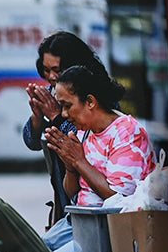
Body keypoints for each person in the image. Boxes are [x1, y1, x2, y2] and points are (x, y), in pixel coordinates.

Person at [43, 65, 158, 252]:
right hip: (81, 222)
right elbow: (74, 193)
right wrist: (70, 166)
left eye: (67, 106)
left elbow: (118, 199)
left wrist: (79, 161)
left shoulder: (127, 132)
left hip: (110, 229)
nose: (65, 114)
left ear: (90, 102)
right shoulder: (83, 132)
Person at [21, 31, 110, 240]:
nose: (51, 77)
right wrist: (37, 116)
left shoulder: (97, 95)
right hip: (64, 197)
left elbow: (80, 139)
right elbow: (32, 141)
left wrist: (54, 115)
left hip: (92, 200)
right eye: (46, 70)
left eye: (57, 70)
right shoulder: (55, 92)